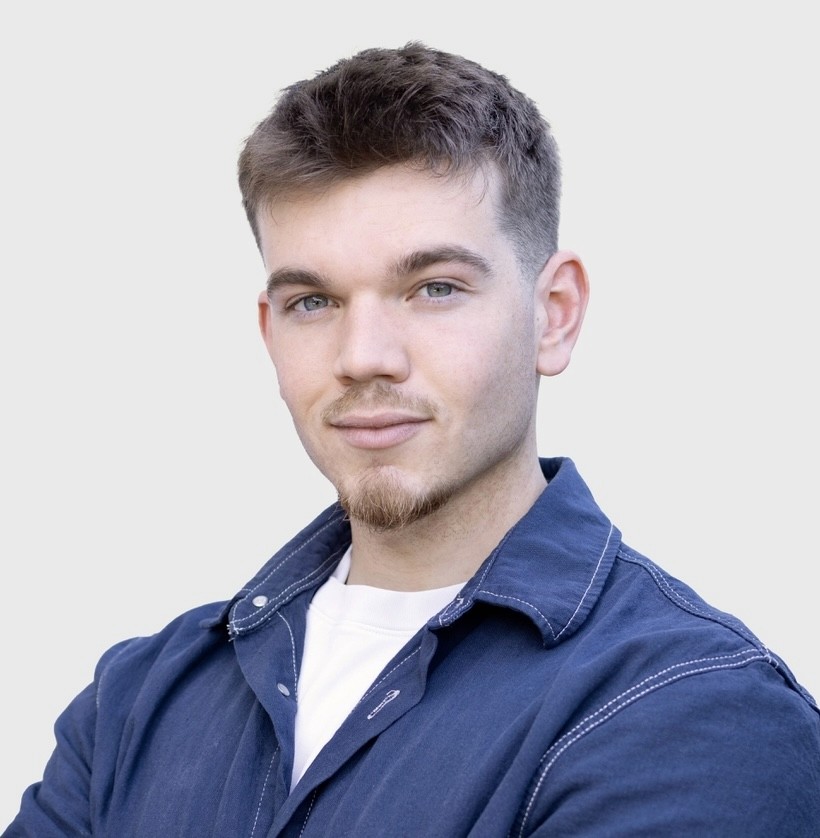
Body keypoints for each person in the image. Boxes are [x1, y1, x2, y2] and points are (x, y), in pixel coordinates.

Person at [5, 42, 819, 837]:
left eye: (434, 288)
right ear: (269, 331)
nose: (364, 357)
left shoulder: (693, 711)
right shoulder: (135, 703)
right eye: (313, 302)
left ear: (555, 315)